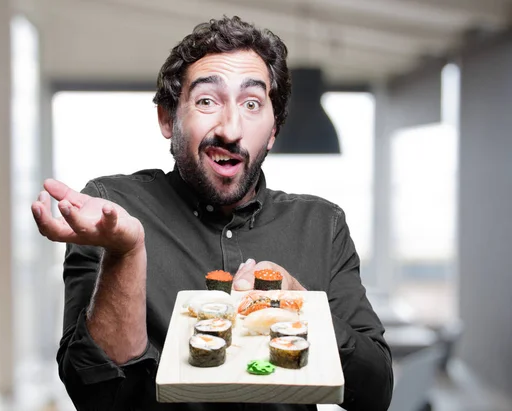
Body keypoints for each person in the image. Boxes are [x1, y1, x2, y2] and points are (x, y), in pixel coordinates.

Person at [31, 16, 393, 411]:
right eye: (207, 101)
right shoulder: (110, 210)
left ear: (273, 131)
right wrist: (125, 254)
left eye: (252, 104)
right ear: (168, 118)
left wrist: (302, 305)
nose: (231, 129)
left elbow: (375, 392)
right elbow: (95, 395)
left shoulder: (323, 225)